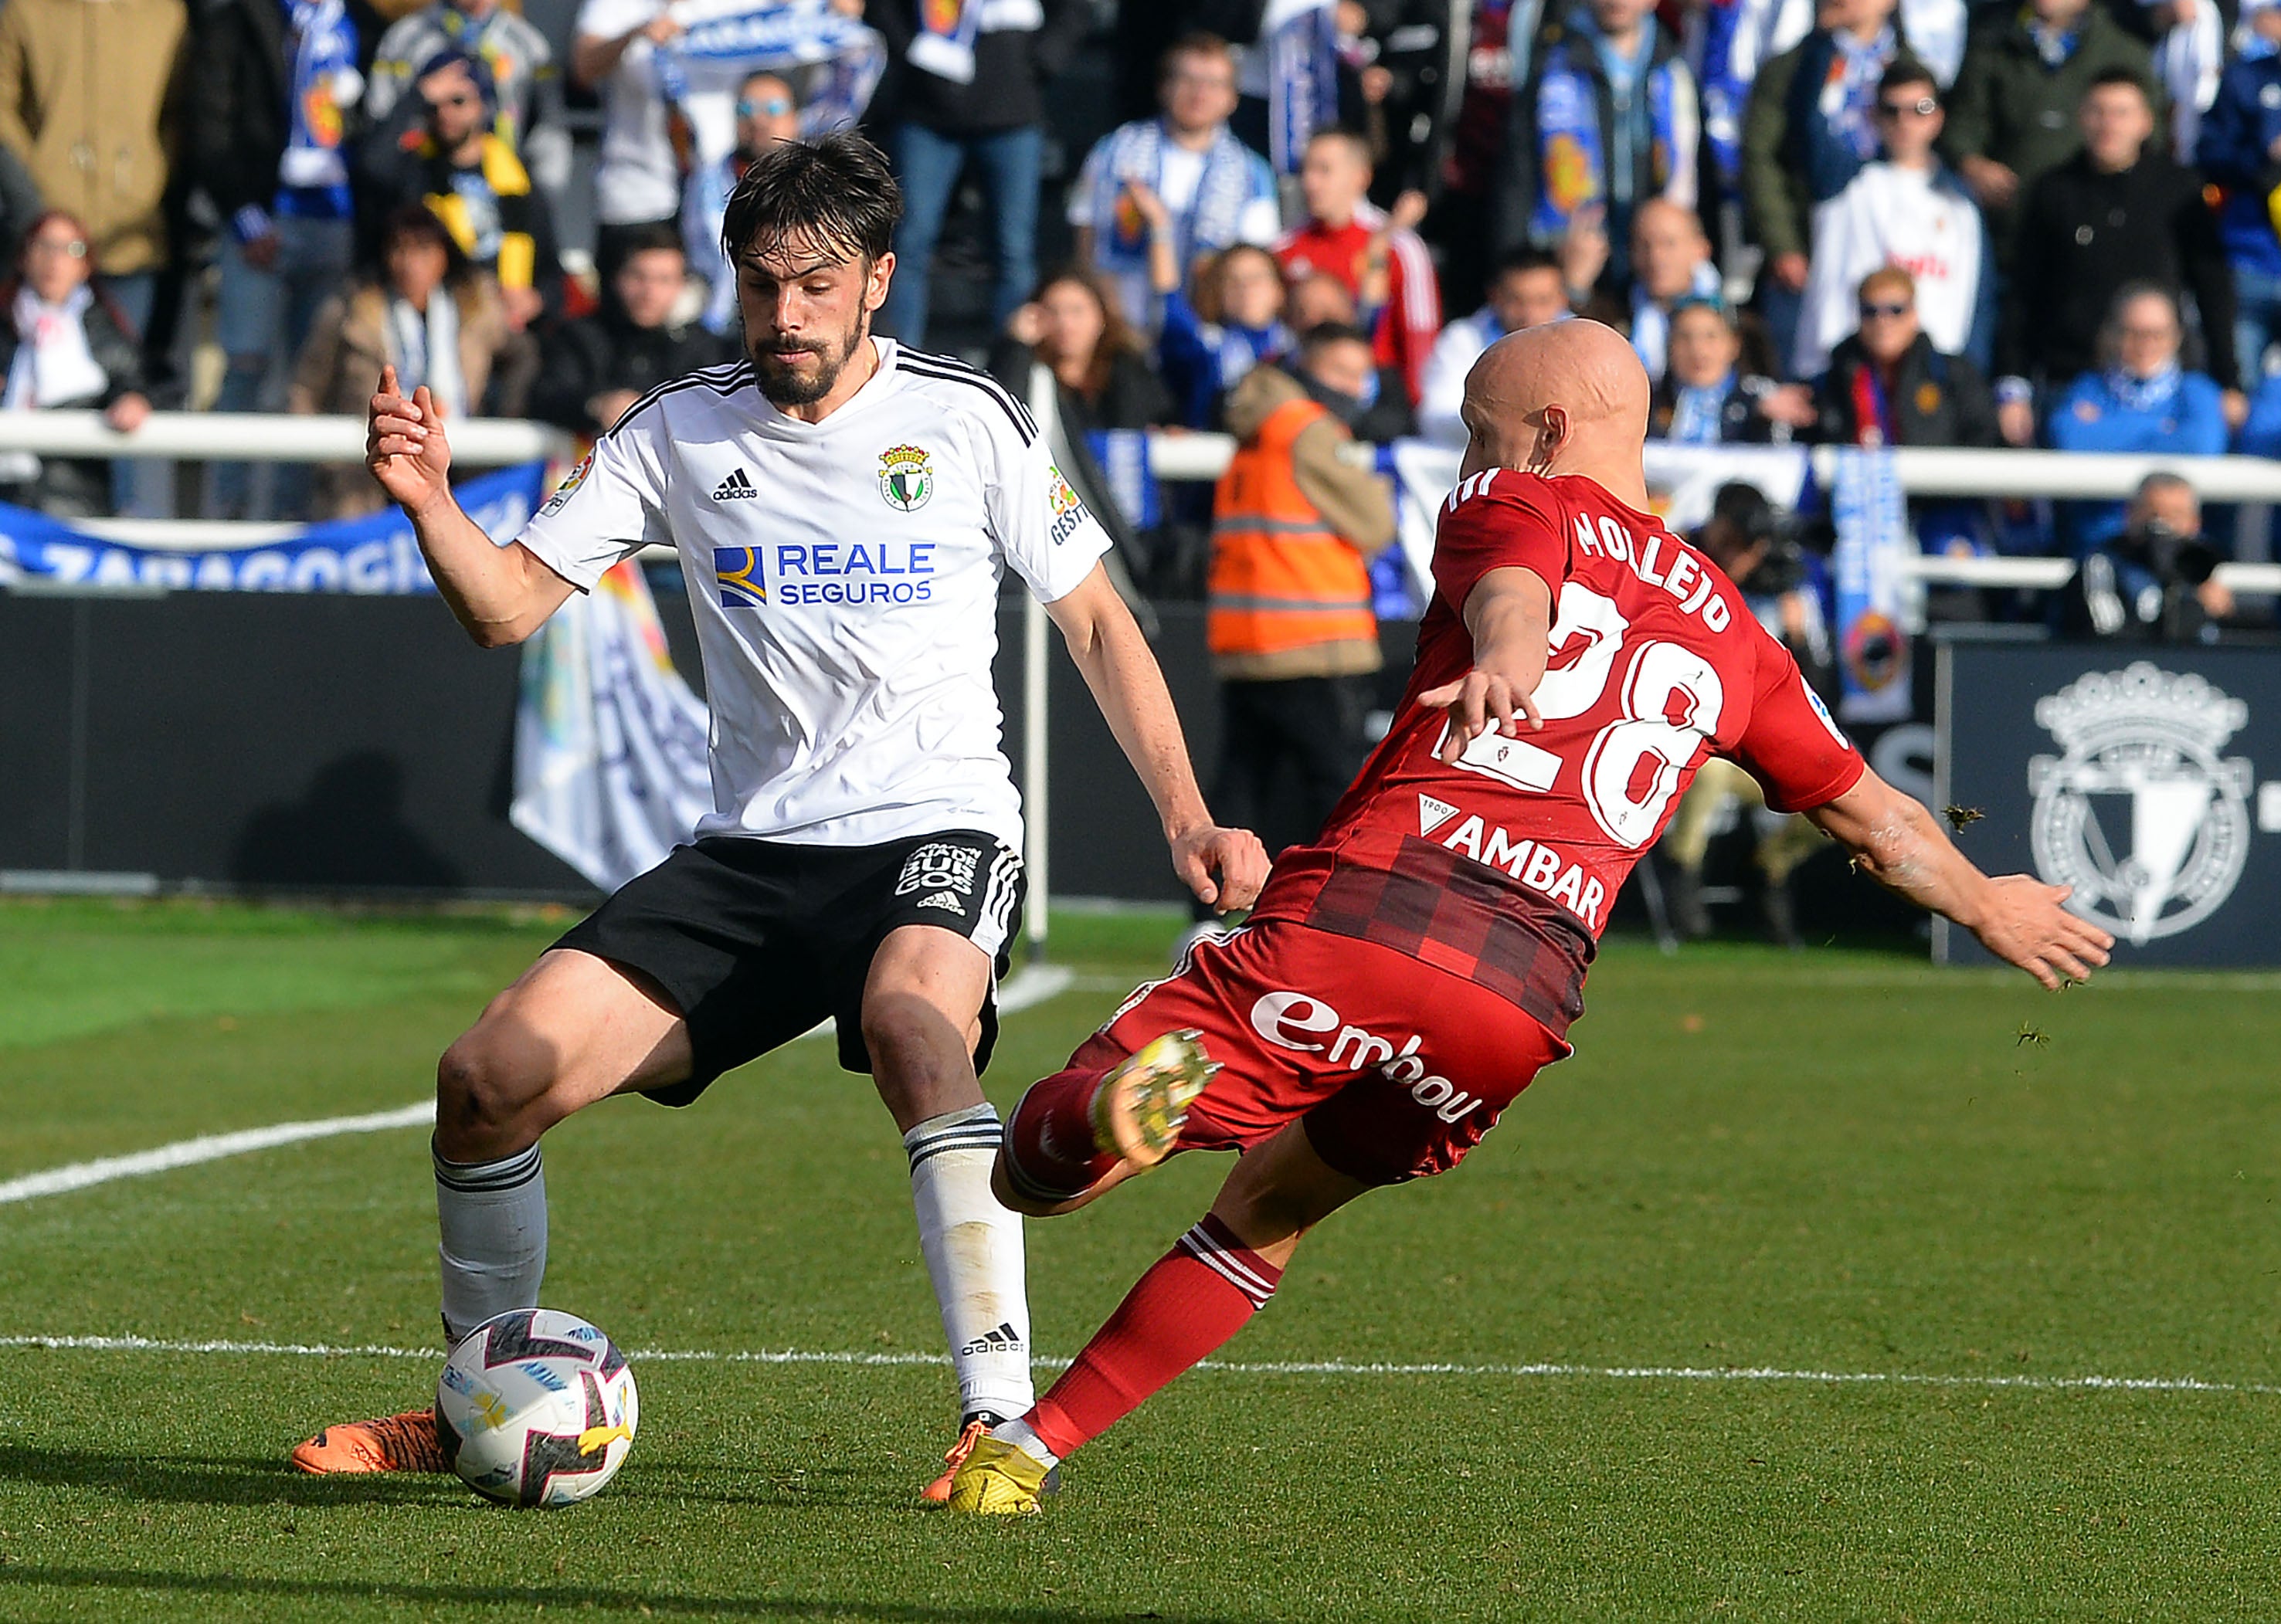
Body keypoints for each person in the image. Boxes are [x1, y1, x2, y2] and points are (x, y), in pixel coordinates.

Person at [939, 317, 2113, 1514]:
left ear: (1545, 433)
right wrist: (1987, 902)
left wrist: (1509, 651)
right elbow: (1877, 819)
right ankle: (1023, 1454)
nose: (1465, 455)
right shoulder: (1738, 635)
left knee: (1034, 1169)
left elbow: (1514, 589)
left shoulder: (1521, 500)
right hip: (1513, 1004)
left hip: (1371, 914)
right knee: (1270, 1206)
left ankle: (1111, 1107)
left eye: (1476, 429)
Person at [290, 133, 1268, 1504]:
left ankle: (997, 1426)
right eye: (760, 286)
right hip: (749, 856)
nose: (784, 315)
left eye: (812, 284)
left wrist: (1185, 816)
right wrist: (428, 503)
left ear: (874, 280)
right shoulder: (676, 428)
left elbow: (1097, 619)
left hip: (933, 827)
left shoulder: (968, 417)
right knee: (485, 1076)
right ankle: (478, 1391)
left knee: (912, 1027)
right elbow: (505, 605)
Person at [1201, 323, 1397, 900]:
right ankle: (1345, 906)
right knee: (1339, 789)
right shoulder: (1308, 431)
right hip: (1315, 640)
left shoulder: (1252, 427)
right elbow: (1374, 525)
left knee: (1241, 787)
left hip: (1246, 644)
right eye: (1341, 373)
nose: (1354, 387)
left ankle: (1209, 908)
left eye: (1362, 375)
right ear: (1308, 370)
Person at [189, 0, 365, 520]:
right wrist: (244, 214)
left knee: (309, 380)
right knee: (245, 364)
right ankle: (226, 513)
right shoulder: (243, 15)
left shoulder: (363, 23)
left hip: (337, 223)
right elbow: (208, 120)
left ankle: (294, 520)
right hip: (261, 221)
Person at [2002, 67, 2236, 446]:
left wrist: (2228, 381)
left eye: (2122, 112)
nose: (2108, 124)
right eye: (2098, 111)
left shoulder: (2180, 190)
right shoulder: (2053, 191)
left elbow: (2213, 289)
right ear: (2081, 116)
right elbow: (2024, 296)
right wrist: (2013, 385)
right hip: (2072, 381)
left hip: (2164, 388)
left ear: (2146, 122)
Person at [1661, 482, 1833, 944]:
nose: (1741, 555)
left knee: (1837, 798)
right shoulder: (1678, 560)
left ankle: (1768, 869)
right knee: (1711, 776)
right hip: (1691, 733)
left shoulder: (1781, 580)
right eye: (1733, 541)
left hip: (1760, 736)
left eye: (1749, 545)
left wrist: (1796, 633)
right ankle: (1683, 871)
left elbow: (1814, 681)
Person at [871, 0, 1091, 348]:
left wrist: (1043, 59)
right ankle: (896, 360)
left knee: (1013, 250)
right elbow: (884, 9)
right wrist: (910, 51)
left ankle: (1014, 363)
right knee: (909, 244)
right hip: (926, 111)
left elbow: (1076, 9)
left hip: (1012, 112)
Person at [289, 205, 512, 519]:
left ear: (444, 255)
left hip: (464, 471)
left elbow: (522, 359)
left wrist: (505, 418)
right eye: (398, 249)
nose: (409, 264)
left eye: (422, 250)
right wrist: (332, 462)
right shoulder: (351, 311)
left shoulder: (477, 309)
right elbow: (305, 387)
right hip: (369, 476)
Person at [1068, 32, 1281, 331]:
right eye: (1188, 80)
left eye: (1214, 84)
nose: (1200, 93)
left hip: (1206, 335)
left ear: (1232, 98)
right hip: (1122, 325)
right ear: (1164, 87)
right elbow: (1086, 237)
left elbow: (1257, 260)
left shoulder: (1252, 172)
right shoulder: (1114, 152)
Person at [1739, 0, 1910, 360]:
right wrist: (1783, 243)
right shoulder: (1790, 68)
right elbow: (1761, 157)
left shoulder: (1909, 69)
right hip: (1809, 248)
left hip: (1892, 248)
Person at [1794, 63, 1987, 378]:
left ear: (1939, 117)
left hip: (1931, 384)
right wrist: (1826, 42)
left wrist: (1968, 381)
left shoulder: (1959, 203)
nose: (1904, 121)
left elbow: (1978, 306)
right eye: (1891, 109)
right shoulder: (1844, 183)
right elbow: (1808, 122)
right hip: (1843, 374)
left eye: (1920, 109)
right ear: (1874, 115)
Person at [359, 50, 562, 341]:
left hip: (506, 332)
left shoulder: (518, 180)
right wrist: (416, 95)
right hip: (432, 327)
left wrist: (535, 301)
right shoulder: (415, 172)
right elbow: (371, 166)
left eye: (458, 101)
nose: (445, 113)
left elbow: (551, 275)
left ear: (483, 105)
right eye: (434, 104)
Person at [1941, 0, 2157, 271]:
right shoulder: (1994, 45)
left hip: (2100, 234)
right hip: (2010, 232)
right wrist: (1971, 165)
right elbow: (1962, 125)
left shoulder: (2123, 52)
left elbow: (2151, 141)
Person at [1502, 0, 1699, 291]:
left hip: (1649, 265)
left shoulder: (1673, 68)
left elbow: (1692, 169)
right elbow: (1516, 172)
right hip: (1568, 256)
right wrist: (1516, 260)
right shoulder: (1553, 64)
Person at [2047, 283, 2228, 548]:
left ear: (2176, 337)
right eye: (2134, 333)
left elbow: (2202, 444)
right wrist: (2164, 429)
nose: (2145, 345)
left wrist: (2109, 432)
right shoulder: (2089, 387)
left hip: (2179, 551)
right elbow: (2070, 439)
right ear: (2113, 334)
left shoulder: (2197, 391)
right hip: (2098, 546)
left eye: (2156, 334)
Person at [0, 209, 152, 518]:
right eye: (44, 247)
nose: (54, 261)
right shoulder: (6, 327)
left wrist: (132, 400)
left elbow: (137, 380)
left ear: (85, 266)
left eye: (71, 250)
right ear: (23, 257)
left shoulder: (103, 332)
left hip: (76, 505)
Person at [1275, 127, 1441, 405]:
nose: (1310, 182)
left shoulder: (1401, 247)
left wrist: (1418, 409)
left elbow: (1420, 336)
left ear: (1361, 177)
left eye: (1324, 170)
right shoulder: (1284, 249)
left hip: (1377, 401)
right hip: (1299, 397)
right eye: (1306, 170)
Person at [531, 226, 732, 438]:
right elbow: (546, 396)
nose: (649, 292)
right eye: (638, 276)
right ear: (616, 278)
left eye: (663, 280)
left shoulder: (705, 350)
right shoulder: (578, 337)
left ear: (681, 285)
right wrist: (597, 405)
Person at [2193, 0, 2281, 384]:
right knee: (2237, 386)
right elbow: (2209, 152)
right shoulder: (2245, 78)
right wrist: (2264, 157)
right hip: (2252, 259)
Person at [1814, 266, 1998, 446]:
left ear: (1914, 316)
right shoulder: (1832, 381)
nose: (1882, 322)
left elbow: (1985, 438)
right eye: (1870, 311)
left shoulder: (1953, 375)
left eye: (1896, 310)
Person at [991, 266, 1178, 440]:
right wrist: (1016, 346)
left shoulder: (1129, 369)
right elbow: (1001, 418)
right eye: (1053, 312)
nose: (1065, 324)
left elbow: (1163, 421)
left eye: (1076, 311)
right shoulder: (1025, 368)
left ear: (1101, 317)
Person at [1419, 248, 1575, 446]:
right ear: (1495, 296)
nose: (1529, 315)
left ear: (1563, 298)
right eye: (1518, 301)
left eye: (1542, 301)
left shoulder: (1586, 343)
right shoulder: (1462, 339)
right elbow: (1435, 418)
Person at [685, 72, 802, 337]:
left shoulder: (824, 184)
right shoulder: (705, 181)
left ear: (795, 117)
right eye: (746, 109)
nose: (758, 119)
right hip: (715, 321)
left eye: (773, 108)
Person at [365, 0, 557, 156]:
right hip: (418, 189)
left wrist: (533, 195)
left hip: (503, 189)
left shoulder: (530, 45)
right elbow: (379, 120)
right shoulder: (404, 39)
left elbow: (551, 129)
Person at [2058, 470, 2233, 639]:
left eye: (2175, 515)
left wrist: (2218, 610)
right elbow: (2106, 639)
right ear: (2130, 514)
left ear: (2195, 523)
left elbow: (2229, 649)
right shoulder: (2103, 564)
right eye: (2152, 514)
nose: (2162, 525)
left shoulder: (2200, 569)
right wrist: (2188, 610)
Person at [1159, 242, 1296, 430]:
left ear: (1279, 290)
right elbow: (1168, 305)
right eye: (1233, 280)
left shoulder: (1298, 350)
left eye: (1256, 278)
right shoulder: (1204, 346)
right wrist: (1159, 231)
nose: (1245, 289)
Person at [1649, 295, 1799, 442]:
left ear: (1734, 345)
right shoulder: (1649, 398)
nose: (1698, 350)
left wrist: (1760, 419)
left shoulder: (1761, 397)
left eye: (1710, 337)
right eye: (1684, 337)